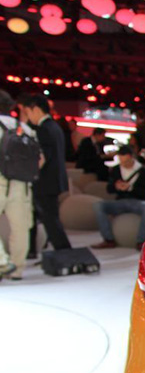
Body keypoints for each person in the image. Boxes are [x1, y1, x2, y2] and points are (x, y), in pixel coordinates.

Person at [20, 94, 72, 254]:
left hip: (45, 182)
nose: (28, 117)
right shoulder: (54, 127)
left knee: (50, 220)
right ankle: (34, 250)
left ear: (35, 109)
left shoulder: (44, 129)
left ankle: (65, 252)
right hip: (52, 180)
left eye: (27, 112)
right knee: (43, 218)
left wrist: (28, 173)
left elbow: (42, 158)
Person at [0, 90, 39, 280]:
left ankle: (2, 262)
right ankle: (17, 269)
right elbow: (39, 160)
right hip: (22, 185)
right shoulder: (24, 128)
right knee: (20, 228)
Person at [91, 146, 145, 250]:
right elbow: (109, 189)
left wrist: (131, 188)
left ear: (131, 158)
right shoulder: (116, 170)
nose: (123, 164)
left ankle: (141, 241)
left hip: (137, 201)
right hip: (120, 201)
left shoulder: (143, 171)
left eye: (125, 161)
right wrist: (116, 186)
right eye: (121, 161)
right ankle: (108, 239)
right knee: (98, 206)